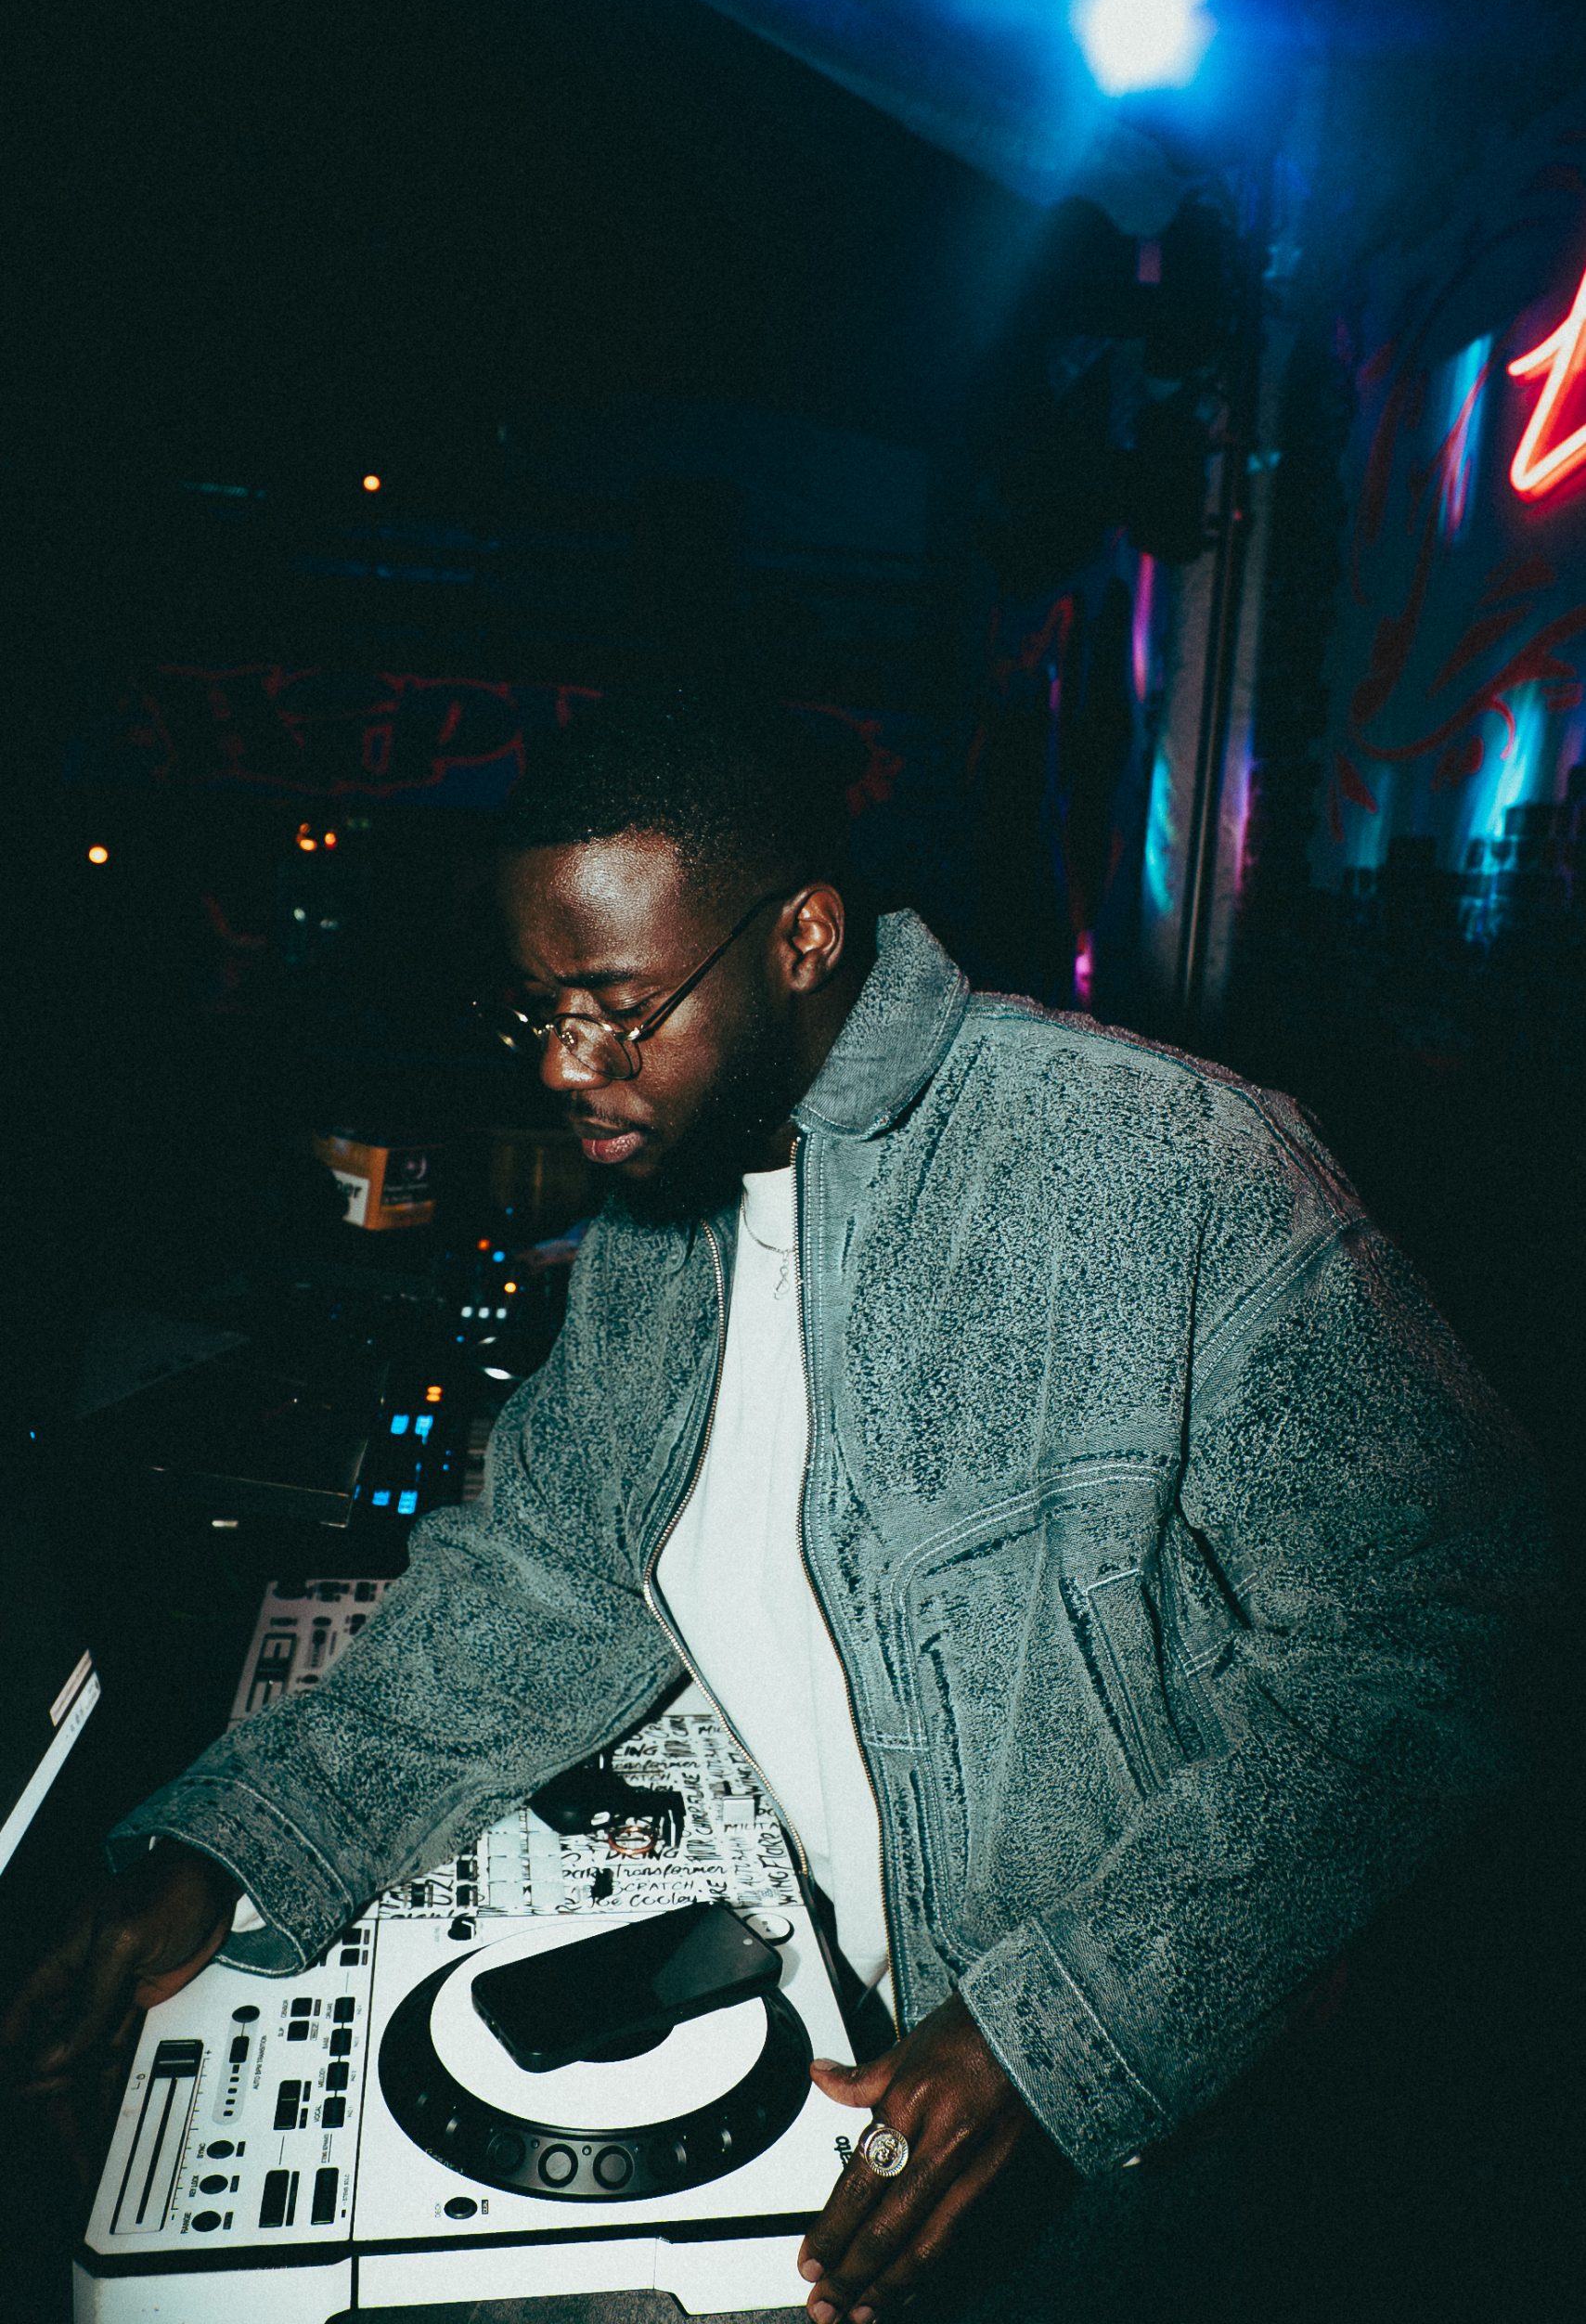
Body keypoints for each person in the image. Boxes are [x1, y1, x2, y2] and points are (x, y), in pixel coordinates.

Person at [4, 691, 1543, 2323]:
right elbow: (547, 1579)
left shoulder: (1163, 1161)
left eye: (617, 1005)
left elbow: (1452, 1628)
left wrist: (1066, 2030)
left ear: (802, 937)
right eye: (537, 1009)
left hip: (1140, 2147)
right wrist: (243, 1844)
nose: (565, 1064)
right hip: (841, 2049)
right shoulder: (661, 1215)